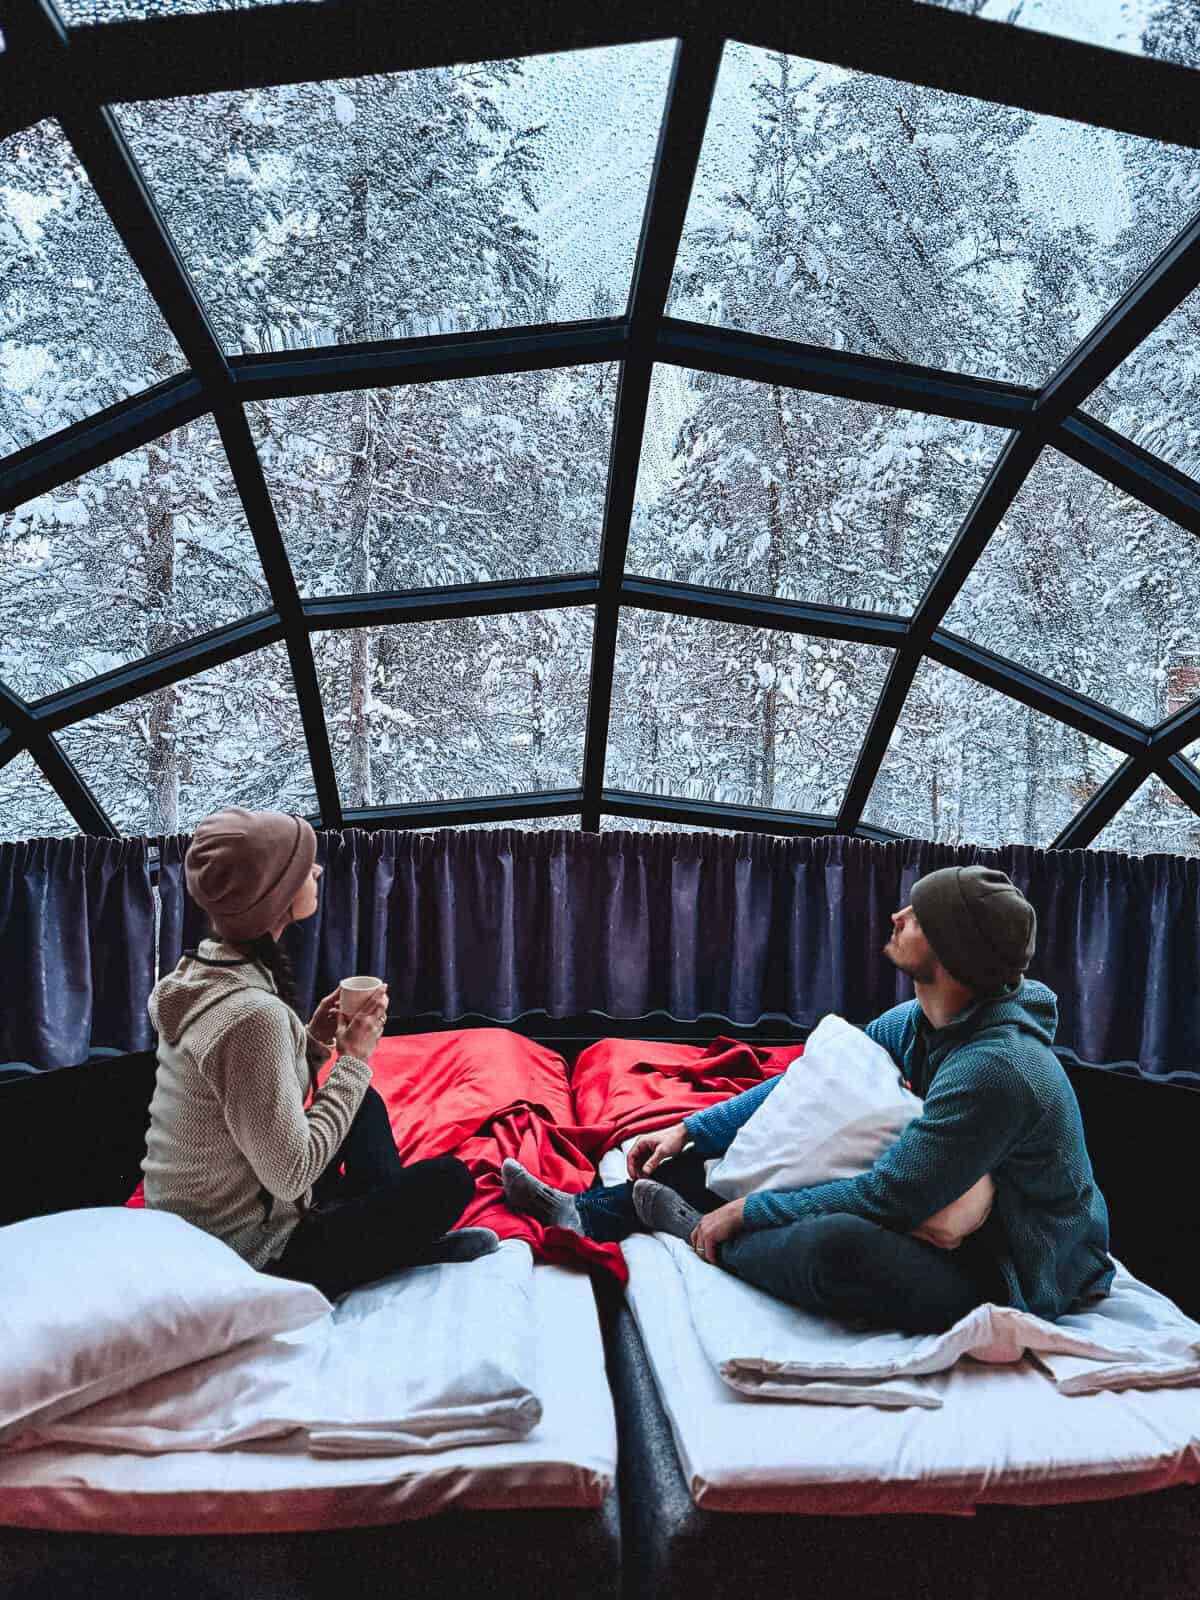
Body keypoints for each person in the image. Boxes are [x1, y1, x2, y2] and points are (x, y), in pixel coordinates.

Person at [504, 865, 1114, 1334]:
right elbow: (808, 1082)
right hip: (937, 1204)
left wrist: (747, 1212)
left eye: (920, 916)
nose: (899, 915)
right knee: (736, 1159)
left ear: (955, 953)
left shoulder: (997, 1069)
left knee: (832, 1247)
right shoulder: (921, 1020)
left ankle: (702, 1233)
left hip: (1007, 1268)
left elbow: (890, 1197)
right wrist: (693, 1130)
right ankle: (586, 1213)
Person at [143, 807, 496, 1300]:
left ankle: (389, 1236)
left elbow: (245, 1094)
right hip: (252, 1258)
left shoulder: (199, 974)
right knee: (450, 1181)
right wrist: (352, 1059)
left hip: (218, 1213)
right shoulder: (252, 1015)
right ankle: (398, 1246)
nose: (318, 871)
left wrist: (311, 1043)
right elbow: (290, 1175)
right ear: (276, 897)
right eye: (304, 868)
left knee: (363, 1107)